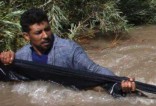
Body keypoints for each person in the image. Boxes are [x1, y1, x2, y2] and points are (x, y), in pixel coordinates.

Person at [0, 8, 135, 96]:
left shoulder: (69, 49)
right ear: (26, 36)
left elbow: (94, 69)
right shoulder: (21, 57)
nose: (45, 35)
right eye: (38, 32)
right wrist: (5, 60)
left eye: (47, 29)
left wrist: (119, 81)